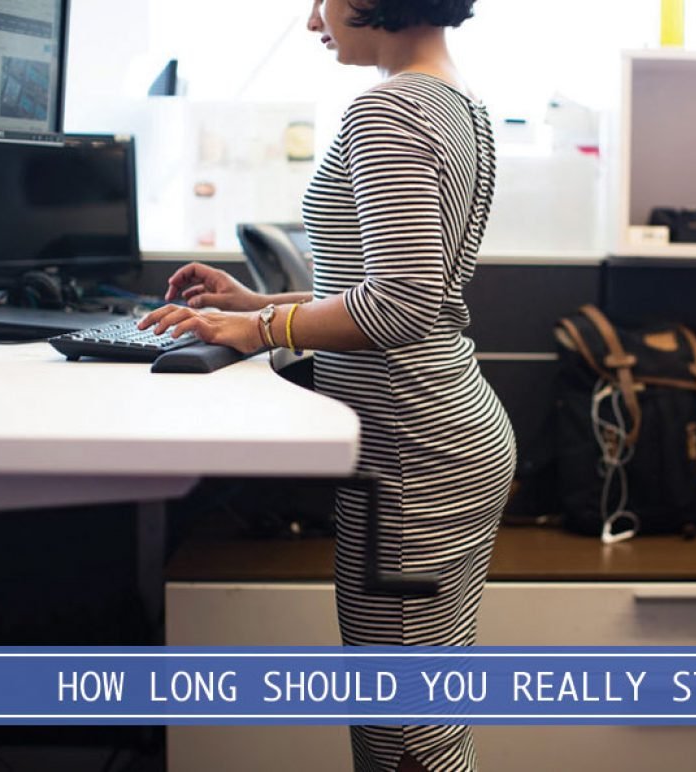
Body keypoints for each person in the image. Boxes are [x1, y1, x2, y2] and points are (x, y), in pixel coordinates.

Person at [138, 1, 514, 768]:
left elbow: (401, 306)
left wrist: (261, 332)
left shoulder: (390, 108)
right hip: (436, 438)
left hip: (413, 456)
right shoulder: (454, 101)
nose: (313, 19)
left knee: (406, 728)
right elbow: (397, 289)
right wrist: (258, 303)